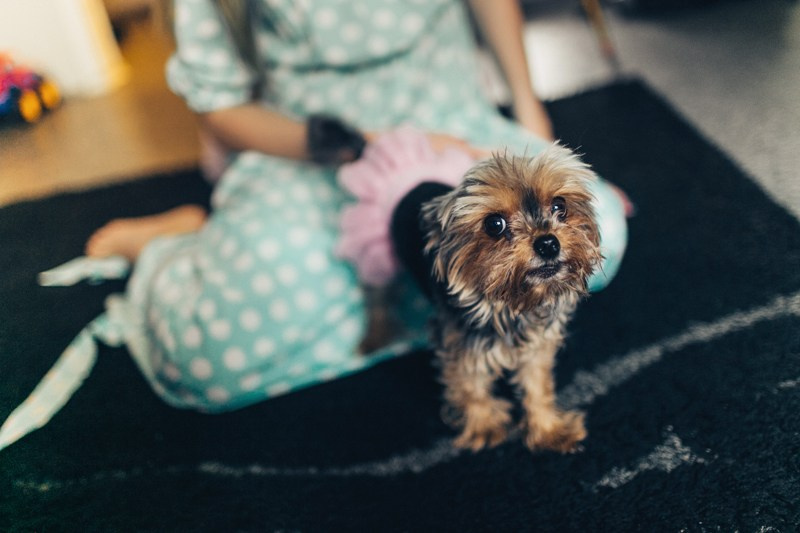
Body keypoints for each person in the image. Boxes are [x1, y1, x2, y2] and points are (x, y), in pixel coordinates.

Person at [81, 0, 626, 412]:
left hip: (453, 113)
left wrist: (533, 122)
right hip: (311, 144)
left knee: (605, 232)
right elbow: (220, 107)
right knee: (209, 360)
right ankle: (172, 242)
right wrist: (375, 146)